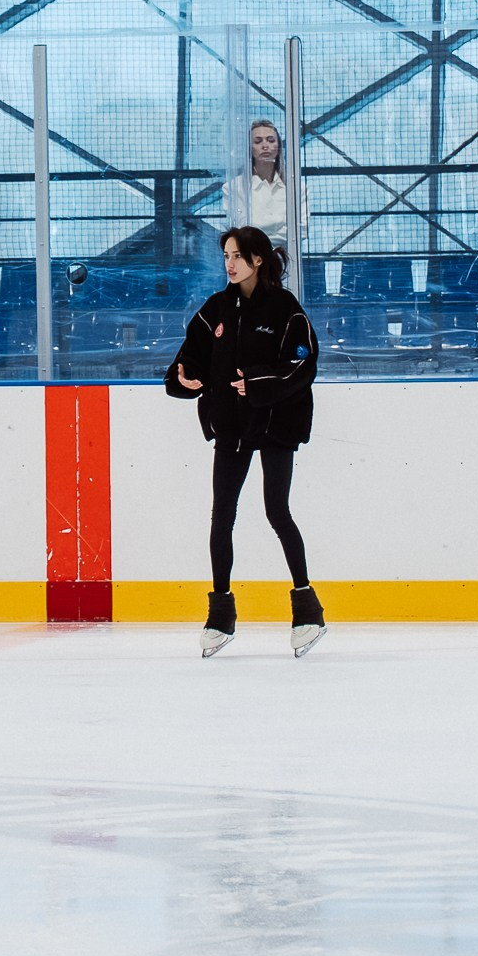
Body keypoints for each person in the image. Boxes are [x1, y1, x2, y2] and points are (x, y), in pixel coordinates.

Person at [165, 225, 325, 658]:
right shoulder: (216, 309)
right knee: (222, 517)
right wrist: (182, 379)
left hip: (275, 423)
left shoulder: (285, 309)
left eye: (237, 255)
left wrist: (256, 384)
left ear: (257, 260)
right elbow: (187, 360)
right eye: (225, 256)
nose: (229, 263)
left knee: (277, 511)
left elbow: (303, 365)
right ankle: (220, 615)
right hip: (233, 426)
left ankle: (307, 610)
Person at [233, 119, 299, 252]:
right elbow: (241, 230)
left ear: (279, 147)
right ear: (249, 148)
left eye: (271, 140)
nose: (265, 145)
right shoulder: (234, 187)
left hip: (287, 258)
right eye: (258, 141)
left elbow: (300, 230)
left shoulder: (297, 188)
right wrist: (279, 225)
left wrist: (259, 228)